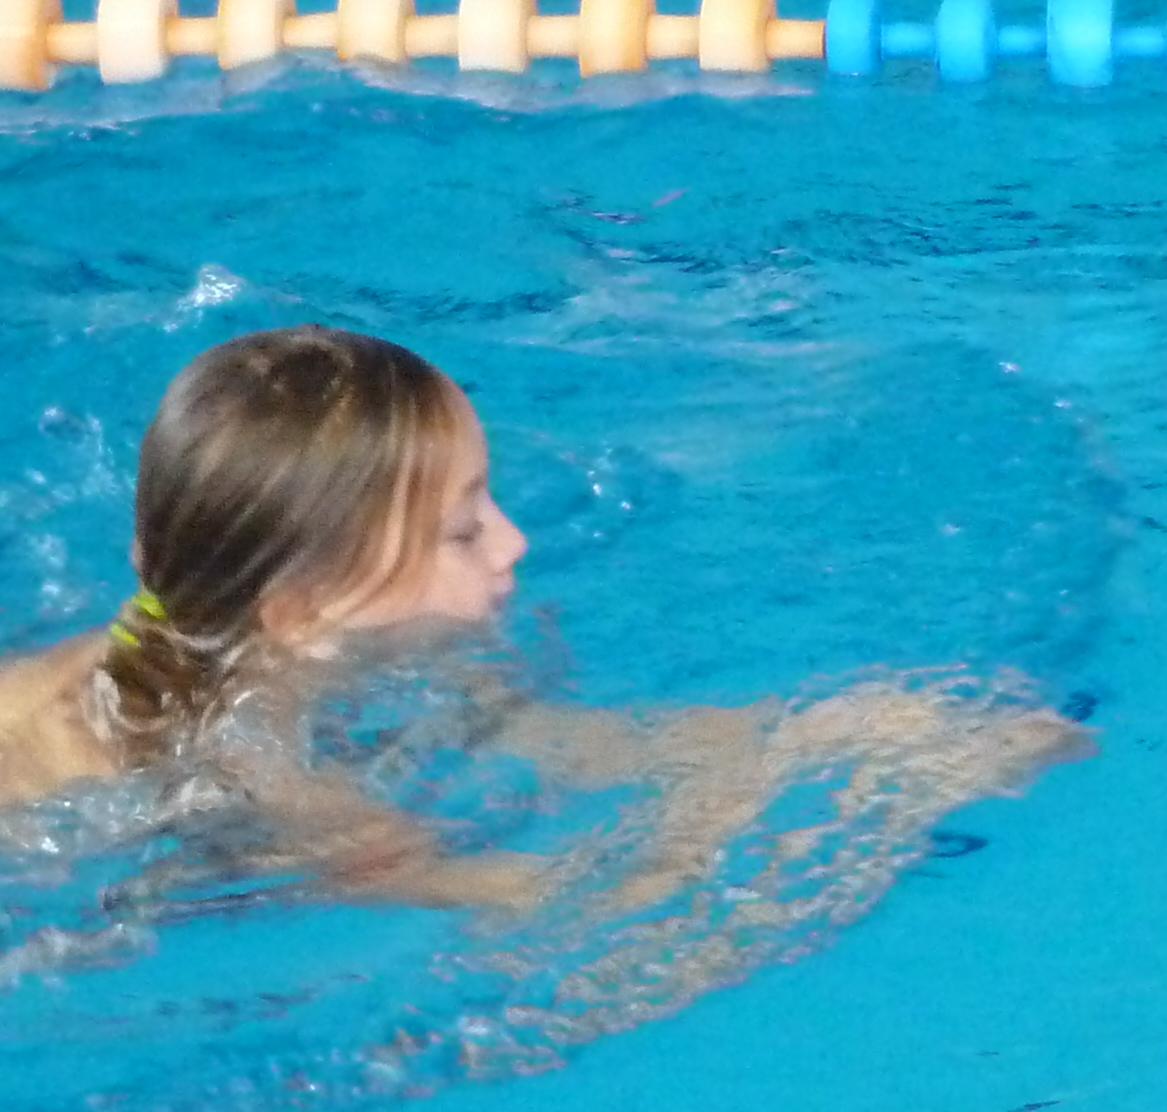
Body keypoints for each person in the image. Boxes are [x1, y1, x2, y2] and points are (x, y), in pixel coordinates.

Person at [0, 326, 1082, 920]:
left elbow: (587, 746)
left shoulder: (253, 632)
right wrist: (861, 820)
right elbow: (548, 908)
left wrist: (849, 727)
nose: (515, 543)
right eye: (464, 532)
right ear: (306, 610)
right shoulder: (268, 780)